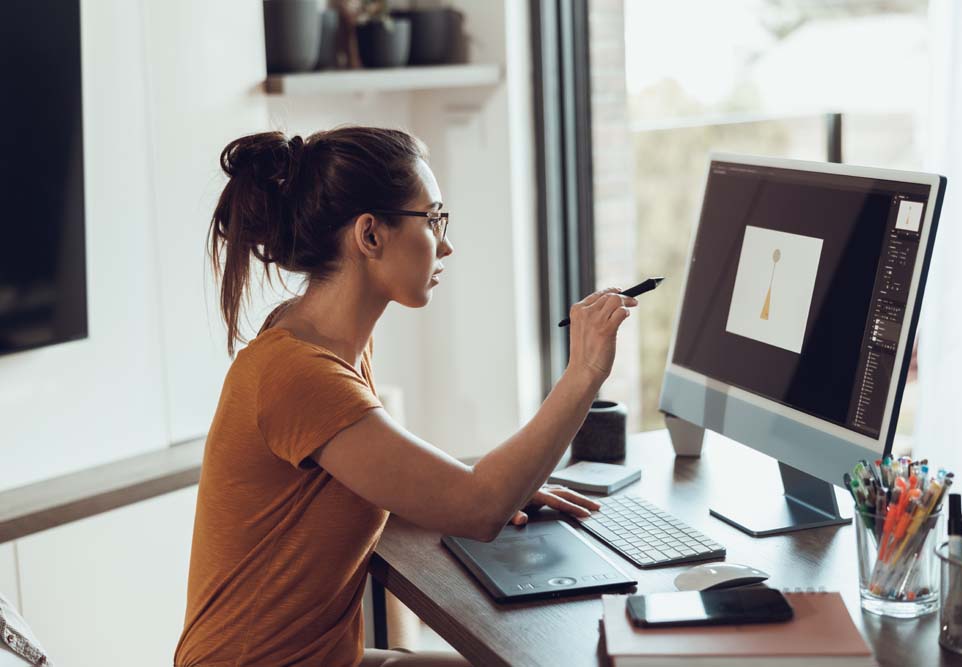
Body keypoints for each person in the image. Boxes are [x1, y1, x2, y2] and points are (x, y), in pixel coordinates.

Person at [173, 126, 638, 667]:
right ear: (370, 235)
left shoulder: (325, 344)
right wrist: (583, 371)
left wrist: (511, 487)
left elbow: (400, 482)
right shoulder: (300, 374)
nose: (445, 243)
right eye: (433, 217)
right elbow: (479, 507)